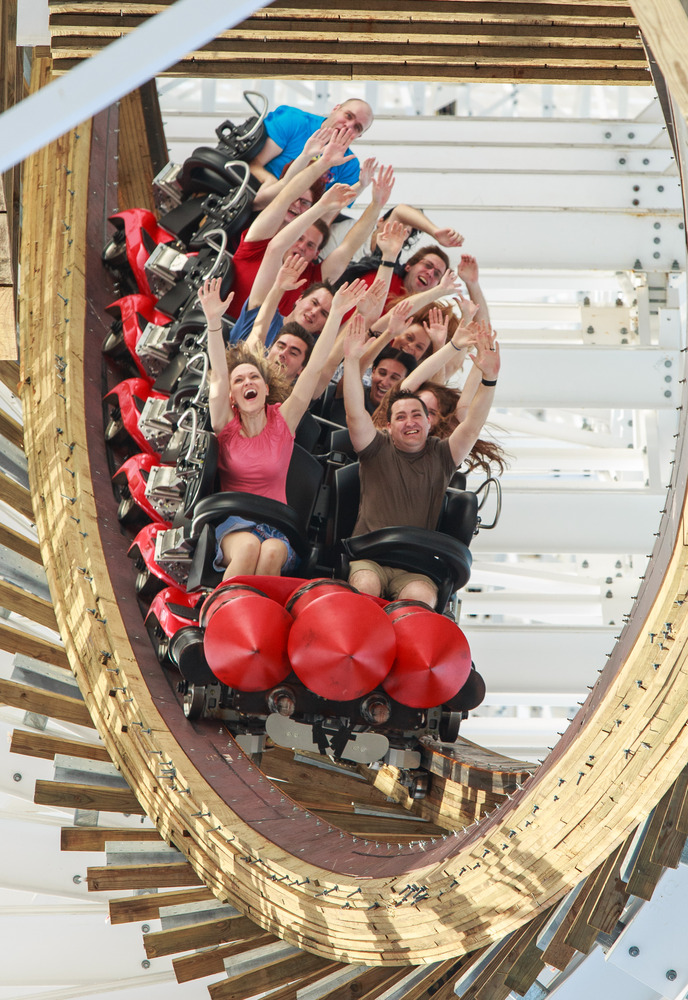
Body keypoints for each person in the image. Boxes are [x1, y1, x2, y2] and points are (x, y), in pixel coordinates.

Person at [199, 275, 367, 580]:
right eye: (239, 380)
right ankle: (222, 606)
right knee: (249, 547)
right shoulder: (225, 423)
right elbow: (219, 376)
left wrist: (337, 315)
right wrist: (213, 322)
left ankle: (255, 608)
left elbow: (314, 368)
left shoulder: (283, 420)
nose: (247, 382)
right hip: (235, 524)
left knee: (272, 551)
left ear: (265, 388)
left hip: (276, 527)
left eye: (253, 377)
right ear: (232, 396)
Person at [342, 321, 500, 608]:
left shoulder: (443, 454)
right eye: (401, 417)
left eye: (417, 415)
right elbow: (355, 415)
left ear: (429, 422)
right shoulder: (375, 447)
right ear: (388, 426)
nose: (410, 422)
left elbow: (472, 426)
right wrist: (352, 361)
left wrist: (489, 379)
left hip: (414, 567)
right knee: (366, 587)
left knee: (421, 598)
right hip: (369, 558)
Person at [249, 99, 374, 194]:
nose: (348, 125)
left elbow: (328, 215)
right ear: (335, 109)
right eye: (348, 116)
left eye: (357, 127)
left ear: (358, 136)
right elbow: (253, 165)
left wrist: (362, 187)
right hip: (256, 193)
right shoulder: (293, 120)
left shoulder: (349, 165)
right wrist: (272, 184)